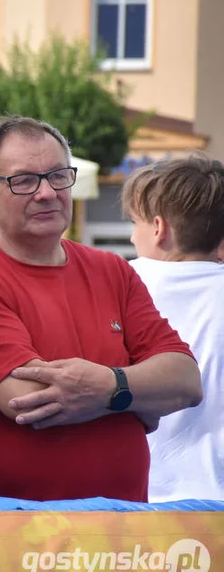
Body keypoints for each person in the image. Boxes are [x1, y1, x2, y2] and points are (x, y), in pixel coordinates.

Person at [0, 116, 202, 503]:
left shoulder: (112, 270)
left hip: (123, 537)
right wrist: (137, 398)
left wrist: (112, 388)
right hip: (11, 539)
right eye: (23, 180)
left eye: (58, 176)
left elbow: (186, 381)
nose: (46, 193)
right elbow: (27, 402)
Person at [123, 156, 224, 502]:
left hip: (141, 504)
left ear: (158, 228)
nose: (132, 236)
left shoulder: (116, 286)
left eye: (134, 223)